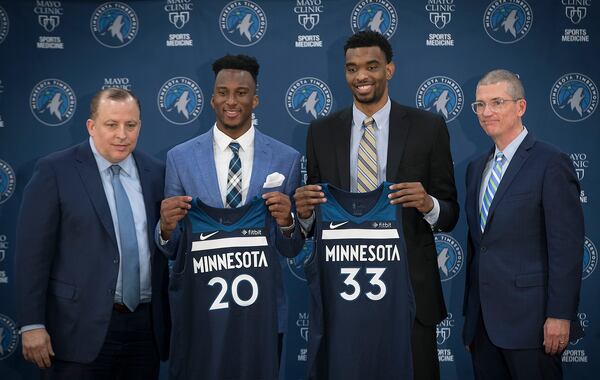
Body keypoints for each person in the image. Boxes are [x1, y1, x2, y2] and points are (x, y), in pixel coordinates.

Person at [293, 30, 459, 379]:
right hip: (344, 293)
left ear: (390, 69)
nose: (361, 76)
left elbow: (450, 213)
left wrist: (428, 203)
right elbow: (313, 219)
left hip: (410, 294)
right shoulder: (320, 131)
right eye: (352, 68)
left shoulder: (428, 127)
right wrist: (304, 216)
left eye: (371, 66)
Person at [157, 54, 301, 377]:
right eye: (223, 92)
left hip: (260, 316)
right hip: (200, 312)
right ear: (211, 99)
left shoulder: (286, 159)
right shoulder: (179, 159)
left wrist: (289, 223)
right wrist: (165, 228)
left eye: (241, 92)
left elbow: (290, 248)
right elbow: (172, 248)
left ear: (256, 99)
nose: (231, 101)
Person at [15, 88, 170, 379]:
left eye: (131, 125)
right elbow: (31, 255)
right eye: (112, 124)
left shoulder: (157, 173)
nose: (122, 134)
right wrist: (32, 323)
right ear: (91, 126)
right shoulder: (55, 170)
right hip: (76, 329)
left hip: (144, 329)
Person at [462, 69, 584, 380]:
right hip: (484, 328)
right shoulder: (476, 169)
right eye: (479, 105)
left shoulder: (551, 162)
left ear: (521, 107)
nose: (487, 112)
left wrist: (559, 314)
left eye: (497, 102)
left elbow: (566, 248)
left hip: (533, 326)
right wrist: (471, 319)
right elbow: (480, 248)